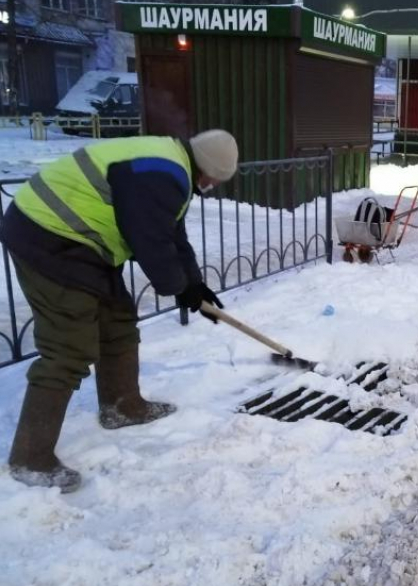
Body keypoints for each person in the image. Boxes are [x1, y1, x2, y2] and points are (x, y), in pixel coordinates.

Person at [0, 129, 239, 493]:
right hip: (49, 238)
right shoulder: (163, 176)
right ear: (207, 171)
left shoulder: (174, 165)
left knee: (119, 323)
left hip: (82, 244)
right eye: (216, 181)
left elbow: (173, 236)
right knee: (68, 349)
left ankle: (122, 406)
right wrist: (179, 288)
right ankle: (30, 458)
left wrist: (195, 285)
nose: (212, 187)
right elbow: (151, 242)